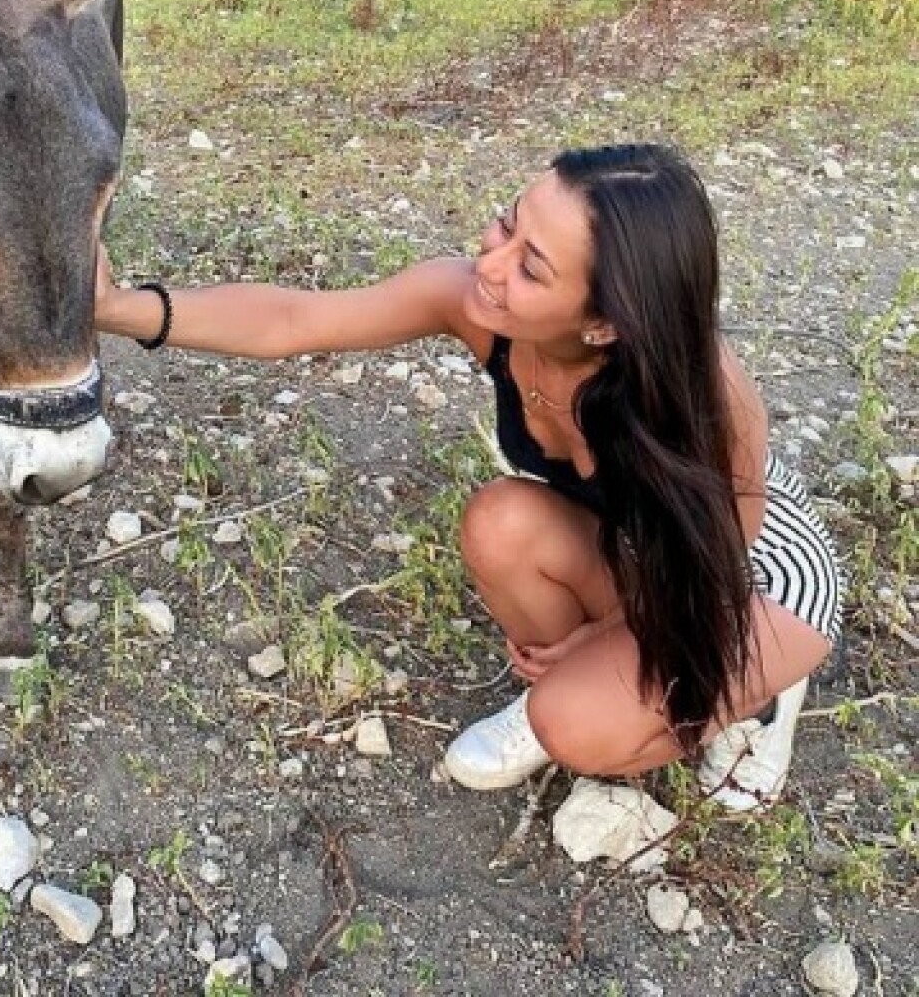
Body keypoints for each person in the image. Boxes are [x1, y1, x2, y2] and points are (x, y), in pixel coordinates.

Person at [95, 143, 843, 809]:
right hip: (638, 551)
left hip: (746, 575)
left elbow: (713, 571)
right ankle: (601, 686)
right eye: (506, 223)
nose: (490, 265)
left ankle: (753, 701)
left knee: (578, 729)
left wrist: (615, 632)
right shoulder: (475, 303)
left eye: (531, 266)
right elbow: (295, 321)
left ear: (605, 322)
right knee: (499, 525)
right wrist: (121, 309)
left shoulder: (708, 400)